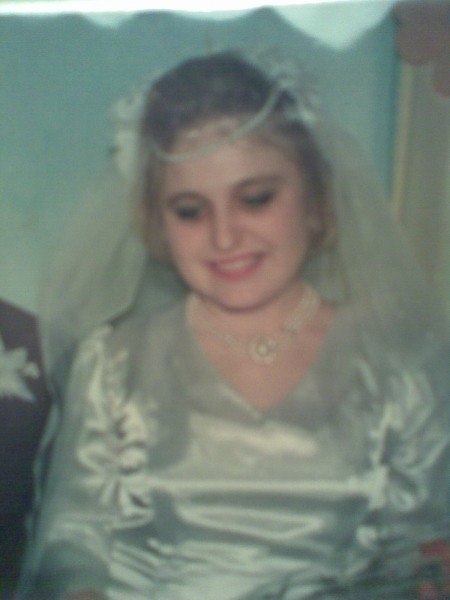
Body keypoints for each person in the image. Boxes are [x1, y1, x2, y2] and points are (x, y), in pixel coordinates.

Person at [19, 51, 449, 599]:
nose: (224, 237)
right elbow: (71, 542)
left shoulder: (398, 363)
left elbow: (419, 550)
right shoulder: (115, 362)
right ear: (158, 223)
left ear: (316, 201)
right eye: (190, 211)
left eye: (255, 199)